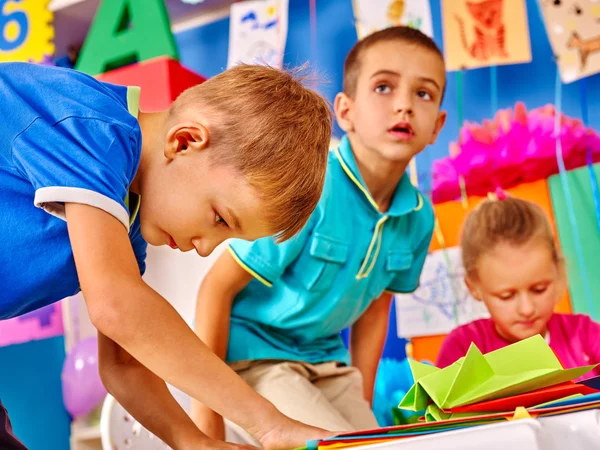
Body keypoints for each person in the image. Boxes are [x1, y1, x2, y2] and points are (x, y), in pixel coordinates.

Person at [0, 61, 333, 450]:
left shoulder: (127, 213)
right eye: (220, 219)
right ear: (185, 141)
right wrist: (268, 423)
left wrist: (194, 442)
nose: (206, 247)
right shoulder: (91, 126)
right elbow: (116, 305)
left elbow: (125, 365)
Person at [191, 26, 447, 444]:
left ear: (437, 125)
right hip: (254, 361)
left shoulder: (418, 218)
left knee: (381, 444)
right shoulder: (313, 186)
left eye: (423, 94)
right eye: (384, 87)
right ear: (345, 112)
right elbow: (215, 290)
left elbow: (375, 312)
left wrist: (359, 410)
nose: (404, 106)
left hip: (327, 365)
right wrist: (207, 423)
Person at [437, 195, 600, 381]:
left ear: (557, 271)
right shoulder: (462, 350)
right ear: (474, 287)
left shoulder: (584, 335)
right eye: (506, 296)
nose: (527, 309)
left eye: (539, 289)